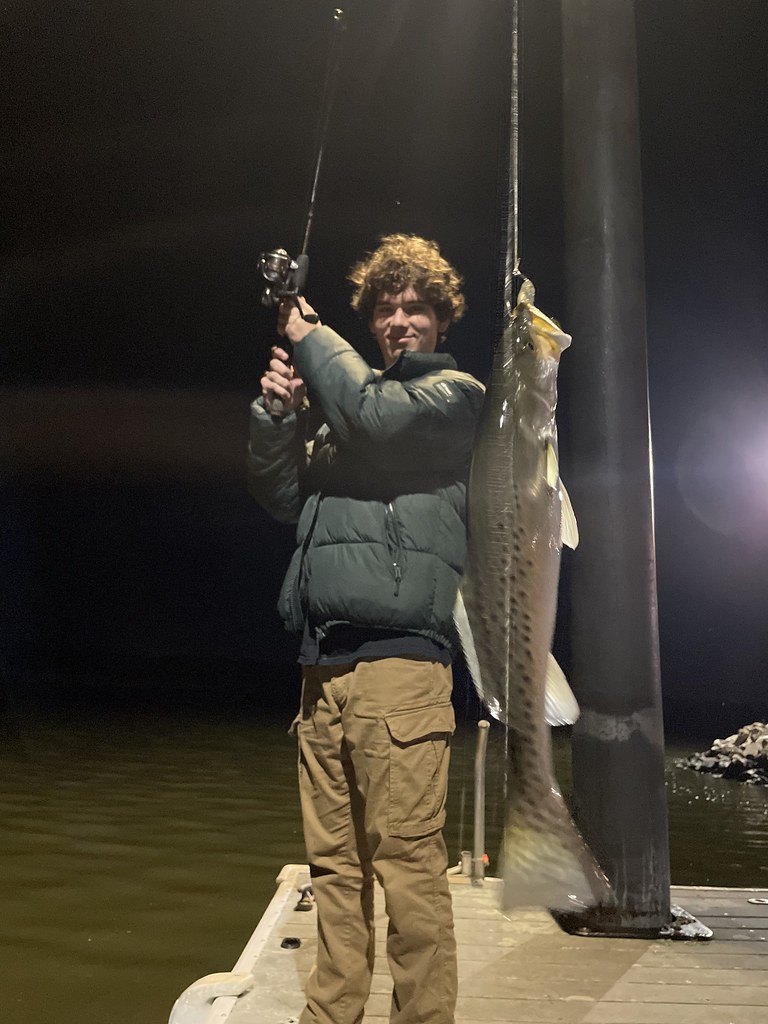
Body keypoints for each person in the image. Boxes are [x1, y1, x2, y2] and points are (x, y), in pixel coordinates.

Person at [247, 234, 484, 1024]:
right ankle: (329, 1016)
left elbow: (377, 420)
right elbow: (282, 496)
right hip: (323, 675)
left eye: (416, 306)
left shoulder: (450, 398)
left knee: (409, 872)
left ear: (442, 320)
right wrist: (277, 418)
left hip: (402, 675)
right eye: (386, 307)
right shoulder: (343, 413)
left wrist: (310, 337)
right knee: (334, 871)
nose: (400, 319)